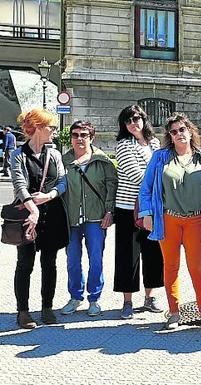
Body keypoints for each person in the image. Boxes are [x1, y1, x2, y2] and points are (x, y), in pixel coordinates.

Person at [139, 113, 201, 330]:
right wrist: (147, 214)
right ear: (169, 136)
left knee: (196, 267)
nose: (179, 134)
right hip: (168, 219)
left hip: (196, 220)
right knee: (170, 267)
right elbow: (146, 188)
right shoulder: (160, 157)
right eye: (174, 131)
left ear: (190, 131)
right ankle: (174, 312)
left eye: (182, 129)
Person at [10, 108, 69, 329]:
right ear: (37, 127)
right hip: (26, 216)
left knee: (49, 263)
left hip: (51, 216)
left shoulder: (54, 154)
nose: (54, 131)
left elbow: (62, 182)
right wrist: (33, 209)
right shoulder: (18, 155)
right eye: (50, 127)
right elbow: (19, 185)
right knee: (25, 263)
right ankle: (23, 312)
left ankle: (47, 308)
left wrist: (49, 195)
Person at [60, 121, 117, 317]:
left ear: (91, 137)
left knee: (96, 259)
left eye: (83, 134)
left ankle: (94, 298)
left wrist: (109, 212)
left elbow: (112, 187)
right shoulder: (63, 161)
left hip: (96, 217)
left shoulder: (102, 161)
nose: (79, 138)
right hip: (71, 218)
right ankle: (75, 297)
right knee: (73, 260)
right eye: (75, 135)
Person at [113, 105, 164, 319]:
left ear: (144, 119)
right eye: (128, 120)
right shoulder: (124, 145)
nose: (133, 123)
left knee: (153, 253)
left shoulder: (155, 143)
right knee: (128, 255)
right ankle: (127, 301)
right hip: (128, 208)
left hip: (151, 208)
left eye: (137, 118)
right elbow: (137, 176)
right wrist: (160, 183)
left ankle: (150, 297)